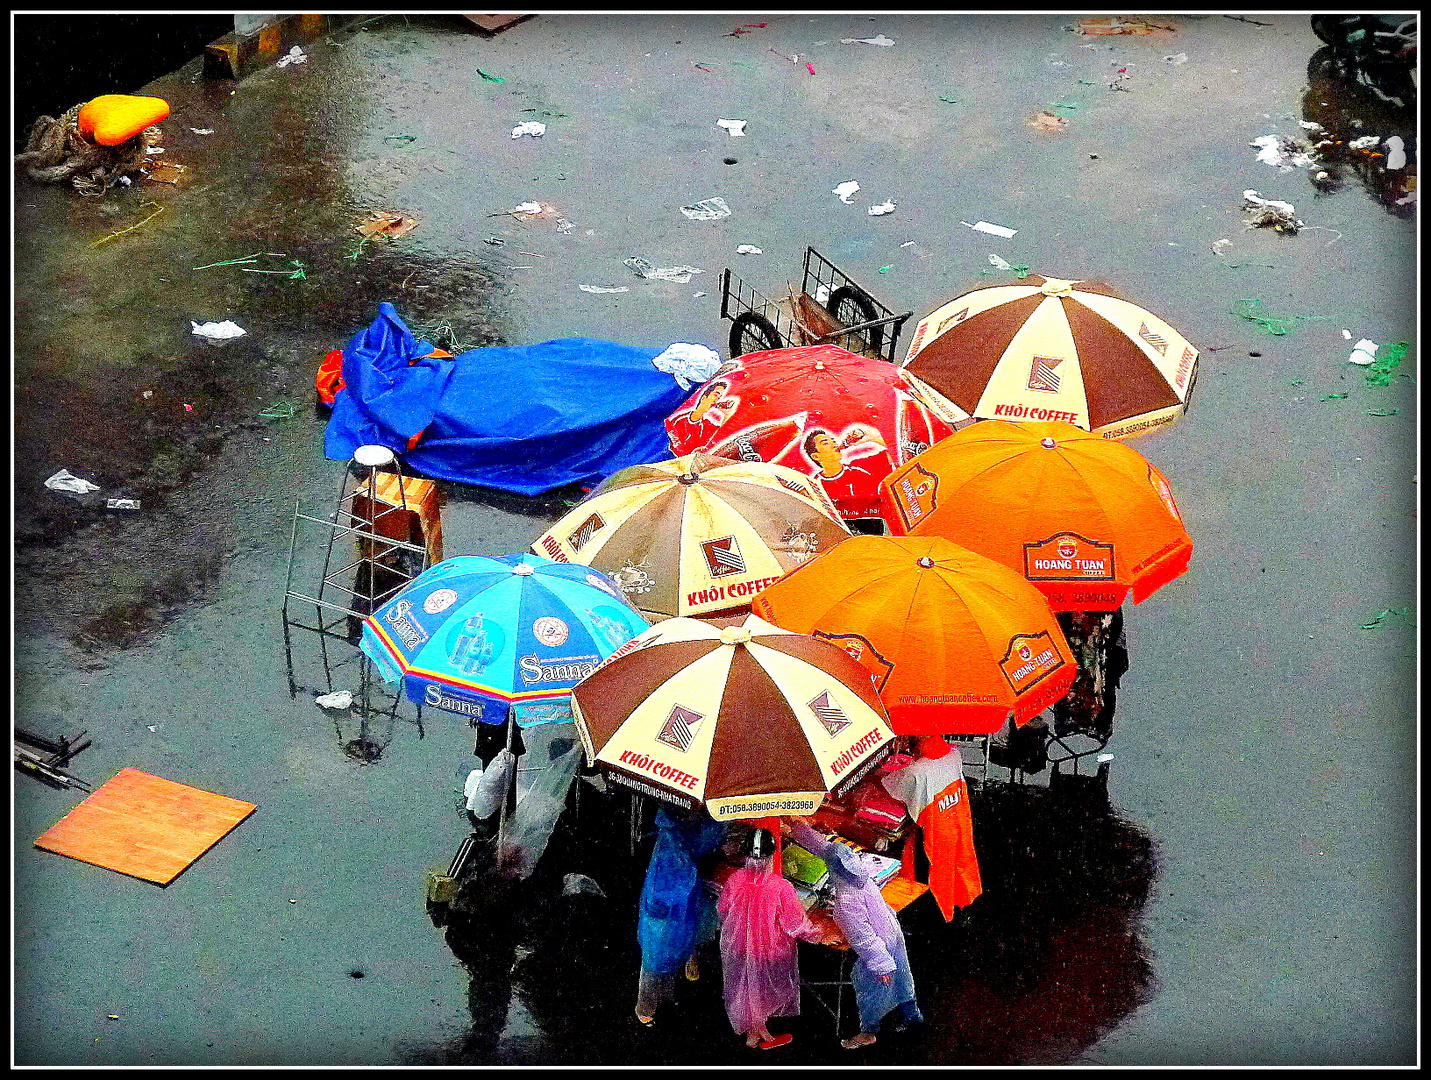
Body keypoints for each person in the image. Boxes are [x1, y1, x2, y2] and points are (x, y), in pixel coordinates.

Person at [786, 818, 923, 1049]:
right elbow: (825, 848)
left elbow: (862, 937)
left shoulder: (847, 901)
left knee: (870, 989)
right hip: (891, 932)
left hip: (879, 945)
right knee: (903, 977)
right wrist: (797, 827)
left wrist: (880, 965)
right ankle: (912, 1016)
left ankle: (868, 1032)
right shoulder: (861, 878)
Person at [716, 826, 825, 1049]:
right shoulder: (781, 887)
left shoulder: (734, 879)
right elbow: (796, 924)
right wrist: (819, 935)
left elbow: (723, 908)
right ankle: (757, 1032)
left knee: (745, 985)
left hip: (737, 947)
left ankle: (754, 1031)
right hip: (769, 951)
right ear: (772, 855)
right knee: (762, 988)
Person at [633, 805, 726, 1027]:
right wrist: (704, 863)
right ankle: (645, 1009)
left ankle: (663, 1002)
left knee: (669, 957)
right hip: (663, 913)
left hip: (674, 910)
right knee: (655, 961)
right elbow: (675, 876)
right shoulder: (672, 840)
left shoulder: (678, 831)